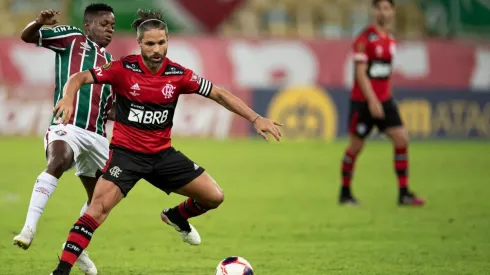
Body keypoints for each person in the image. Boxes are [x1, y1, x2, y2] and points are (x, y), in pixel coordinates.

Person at [47, 9, 283, 275]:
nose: (157, 49)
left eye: (161, 42)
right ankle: (61, 270)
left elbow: (217, 93)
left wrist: (255, 118)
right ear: (139, 43)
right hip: (127, 156)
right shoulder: (123, 69)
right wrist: (68, 97)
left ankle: (176, 216)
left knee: (214, 197)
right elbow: (79, 77)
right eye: (150, 43)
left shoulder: (178, 74)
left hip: (162, 156)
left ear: (168, 41)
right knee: (97, 210)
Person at [14, 3, 116, 275]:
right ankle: (28, 229)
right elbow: (27, 37)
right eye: (104, 24)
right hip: (67, 126)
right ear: (88, 25)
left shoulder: (112, 63)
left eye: (113, 25)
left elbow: (112, 106)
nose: (110, 29)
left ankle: (76, 246)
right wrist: (39, 22)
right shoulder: (72, 38)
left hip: (98, 136)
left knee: (104, 198)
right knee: (58, 161)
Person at [339, 0, 424, 206]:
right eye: (379, 8)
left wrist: (384, 98)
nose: (383, 12)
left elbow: (383, 74)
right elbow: (361, 74)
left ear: (393, 12)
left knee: (401, 138)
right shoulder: (364, 39)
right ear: (373, 11)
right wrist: (372, 100)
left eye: (387, 8)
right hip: (364, 102)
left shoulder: (391, 40)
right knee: (355, 147)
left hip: (385, 101)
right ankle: (345, 193)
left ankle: (403, 193)